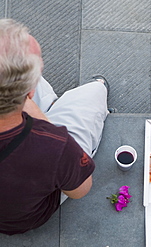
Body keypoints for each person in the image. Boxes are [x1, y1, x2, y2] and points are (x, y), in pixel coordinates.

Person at [0, 19, 109, 235]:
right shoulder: (55, 147)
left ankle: (49, 101)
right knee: (94, 94)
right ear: (29, 93)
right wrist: (44, 124)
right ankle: (95, 88)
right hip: (26, 217)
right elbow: (81, 190)